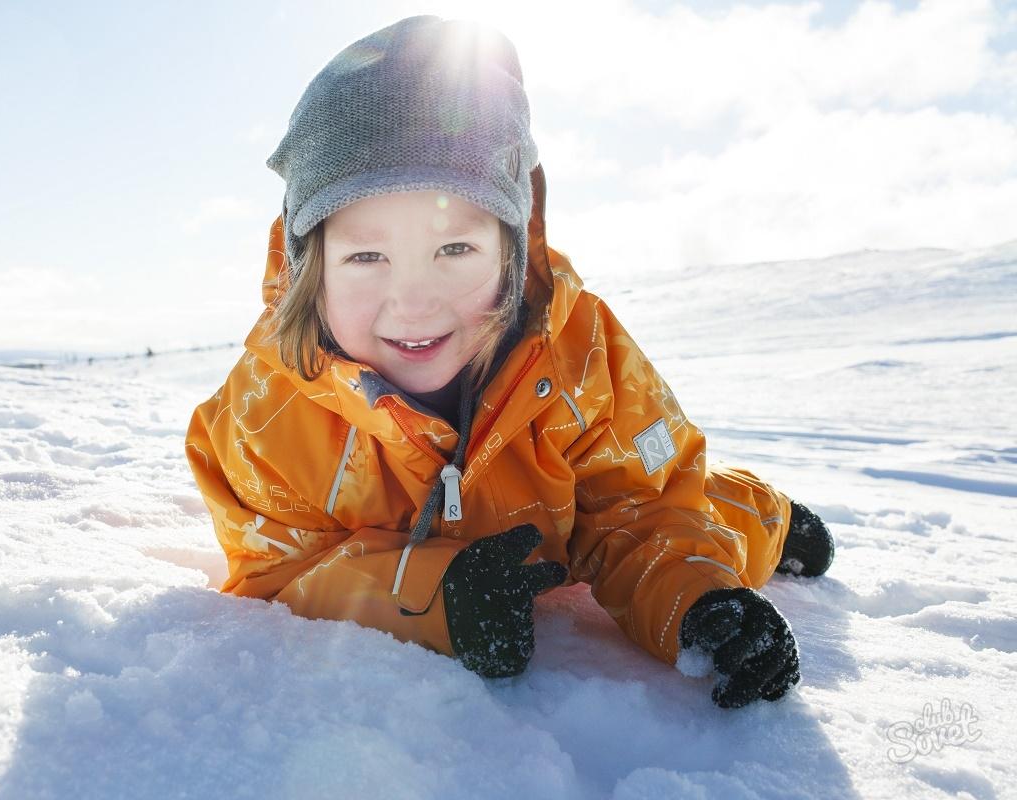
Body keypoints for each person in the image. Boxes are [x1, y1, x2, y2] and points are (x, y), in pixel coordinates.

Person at [184, 15, 835, 708]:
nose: (412, 303)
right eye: (366, 257)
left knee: (704, 513)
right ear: (309, 267)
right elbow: (278, 569)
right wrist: (435, 597)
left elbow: (642, 506)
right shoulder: (268, 413)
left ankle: (768, 511)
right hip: (433, 550)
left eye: (455, 250)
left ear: (514, 251)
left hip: (568, 522)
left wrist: (700, 603)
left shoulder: (579, 352)